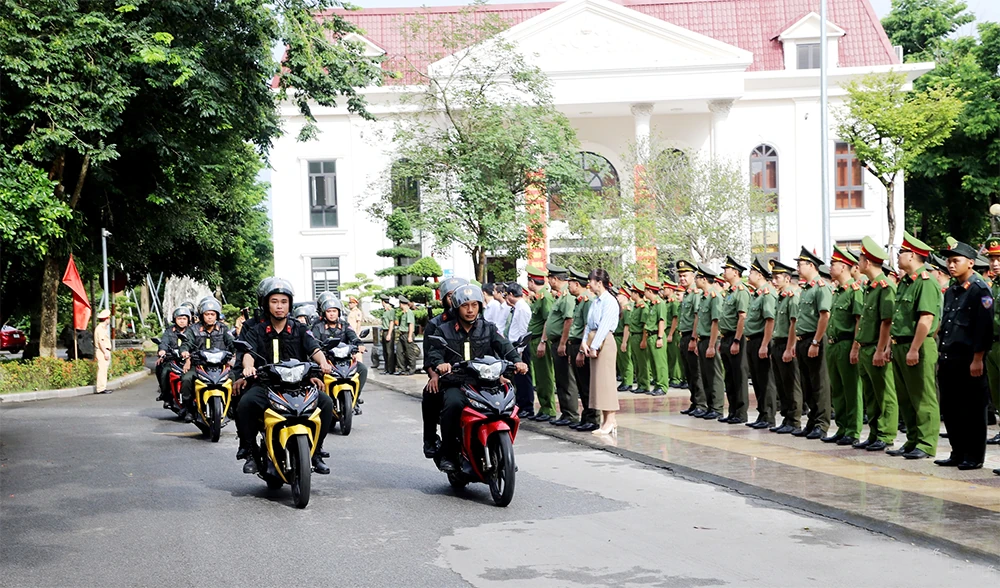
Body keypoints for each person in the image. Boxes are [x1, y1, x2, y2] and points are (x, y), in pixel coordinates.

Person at [236, 279, 335, 475]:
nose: (279, 306)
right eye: (274, 301)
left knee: (326, 403)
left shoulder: (298, 327)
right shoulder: (256, 329)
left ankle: (315, 452)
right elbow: (248, 354)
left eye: (283, 301)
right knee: (244, 403)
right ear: (266, 303)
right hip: (267, 384)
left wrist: (323, 364)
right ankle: (249, 451)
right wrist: (248, 368)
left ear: (290, 304)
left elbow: (313, 347)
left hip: (298, 384)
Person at [429, 286, 527, 473]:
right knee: (452, 404)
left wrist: (517, 361)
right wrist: (440, 364)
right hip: (456, 382)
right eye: (465, 305)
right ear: (457, 307)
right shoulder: (444, 330)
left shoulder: (488, 328)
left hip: (485, 382)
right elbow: (435, 353)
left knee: (506, 404)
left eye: (474, 305)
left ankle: (503, 452)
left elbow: (505, 346)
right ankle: (449, 453)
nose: (470, 309)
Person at [935, 241, 993, 470]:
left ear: (970, 263)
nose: (951, 265)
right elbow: (948, 325)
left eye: (955, 260)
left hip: (969, 359)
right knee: (951, 409)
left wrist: (978, 358)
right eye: (949, 261)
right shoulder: (952, 290)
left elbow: (984, 326)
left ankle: (974, 456)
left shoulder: (980, 289)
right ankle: (958, 452)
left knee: (972, 409)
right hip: (950, 357)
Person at [887, 231, 942, 459]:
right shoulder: (905, 283)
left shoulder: (925, 282)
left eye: (901, 252)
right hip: (901, 345)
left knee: (923, 396)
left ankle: (926, 443)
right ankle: (912, 439)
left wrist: (913, 348)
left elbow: (926, 319)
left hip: (917, 346)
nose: (898, 256)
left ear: (912, 256)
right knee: (906, 396)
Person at [853, 237, 898, 452]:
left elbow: (886, 321)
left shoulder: (885, 286)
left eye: (859, 260)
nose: (857, 264)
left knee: (884, 394)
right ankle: (874, 433)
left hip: (875, 347)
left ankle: (886, 434)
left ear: (867, 262)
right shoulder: (870, 287)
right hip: (865, 347)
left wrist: (881, 349)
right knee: (870, 394)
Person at [420, 277, 468, 458]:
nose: (455, 299)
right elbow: (430, 356)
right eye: (450, 296)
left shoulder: (478, 321)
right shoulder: (436, 324)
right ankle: (430, 439)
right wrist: (434, 376)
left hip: (476, 375)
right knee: (431, 393)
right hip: (446, 376)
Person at [823, 246, 864, 445]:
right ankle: (842, 427)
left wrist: (856, 346)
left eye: (834, 264)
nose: (831, 267)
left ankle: (853, 430)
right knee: (837, 389)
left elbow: (858, 320)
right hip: (833, 344)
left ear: (845, 266)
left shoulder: (854, 291)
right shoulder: (837, 291)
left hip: (847, 343)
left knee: (851, 390)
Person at [793, 247, 833, 440]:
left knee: (819, 383)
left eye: (800, 264)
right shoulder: (806, 289)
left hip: (814, 339)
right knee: (806, 383)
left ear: (811, 265)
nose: (797, 268)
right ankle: (812, 420)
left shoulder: (821, 288)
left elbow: (824, 316)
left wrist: (816, 341)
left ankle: (821, 423)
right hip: (803, 340)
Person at [179, 298, 236, 420]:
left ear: (217, 315)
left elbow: (232, 344)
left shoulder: (223, 329)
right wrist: (184, 351)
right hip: (199, 365)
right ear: (201, 315)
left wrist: (236, 352)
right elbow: (186, 343)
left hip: (220, 366)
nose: (210, 317)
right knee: (187, 379)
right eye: (207, 314)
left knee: (233, 378)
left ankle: (231, 406)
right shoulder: (193, 329)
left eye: (212, 314)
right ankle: (188, 409)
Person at [581, 268, 620, 436]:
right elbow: (589, 323)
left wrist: (595, 345)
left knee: (607, 382)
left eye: (591, 281)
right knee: (599, 384)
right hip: (593, 340)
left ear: (599, 282)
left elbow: (604, 325)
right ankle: (606, 420)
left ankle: (610, 420)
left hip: (604, 341)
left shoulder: (609, 301)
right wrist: (584, 342)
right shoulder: (595, 301)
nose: (589, 284)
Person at [312, 296, 368, 415]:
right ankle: (316, 404)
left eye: (334, 311)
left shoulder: (344, 325)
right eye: (329, 311)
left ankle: (355, 398)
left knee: (362, 369)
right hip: (326, 361)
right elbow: (313, 341)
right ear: (324, 313)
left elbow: (353, 336)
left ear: (339, 312)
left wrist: (359, 345)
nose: (332, 314)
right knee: (313, 373)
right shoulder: (318, 326)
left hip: (343, 361)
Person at [543, 264, 579, 424]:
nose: (549, 281)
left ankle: (571, 414)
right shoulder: (560, 296)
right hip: (556, 342)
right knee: (561, 379)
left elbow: (569, 320)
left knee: (567, 379)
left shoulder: (567, 297)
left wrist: (563, 343)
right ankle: (565, 413)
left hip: (562, 343)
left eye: (550, 278)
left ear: (555, 279)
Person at [745, 255, 777, 429]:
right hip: (752, 340)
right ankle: (762, 413)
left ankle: (769, 415)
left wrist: (765, 344)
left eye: (751, 272)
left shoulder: (767, 294)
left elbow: (770, 320)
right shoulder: (756, 295)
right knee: (757, 380)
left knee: (765, 380)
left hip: (761, 340)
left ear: (759, 275)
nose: (749, 274)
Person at [770, 260, 803, 434]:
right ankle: (786, 418)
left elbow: (794, 324)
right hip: (778, 343)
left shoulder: (792, 297)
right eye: (773, 277)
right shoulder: (781, 297)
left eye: (777, 277)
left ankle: (794, 419)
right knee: (781, 384)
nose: (774, 281)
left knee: (791, 384)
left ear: (787, 278)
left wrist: (790, 348)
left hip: (787, 344)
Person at [719, 256, 750, 424]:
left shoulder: (741, 292)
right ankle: (732, 411)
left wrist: (737, 340)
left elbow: (742, 317)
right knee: (729, 377)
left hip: (735, 337)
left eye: (727, 269)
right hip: (726, 337)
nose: (724, 272)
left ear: (736, 272)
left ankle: (741, 412)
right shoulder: (730, 292)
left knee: (739, 376)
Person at [693, 264, 725, 420]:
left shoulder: (715, 297)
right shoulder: (704, 297)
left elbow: (715, 322)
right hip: (703, 339)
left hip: (712, 340)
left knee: (714, 375)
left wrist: (712, 345)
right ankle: (709, 406)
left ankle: (717, 407)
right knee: (705, 375)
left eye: (696, 278)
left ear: (704, 279)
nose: (695, 280)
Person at [567, 268, 597, 430]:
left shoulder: (588, 301)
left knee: (587, 384)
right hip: (575, 344)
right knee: (581, 383)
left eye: (570, 283)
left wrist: (580, 351)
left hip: (582, 345)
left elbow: (588, 326)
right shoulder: (581, 301)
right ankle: (586, 415)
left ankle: (592, 417)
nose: (568, 286)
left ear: (577, 284)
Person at [526, 265, 556, 421]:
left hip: (540, 340)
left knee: (545, 376)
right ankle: (544, 408)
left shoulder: (545, 297)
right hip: (535, 339)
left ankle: (549, 409)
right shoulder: (539, 297)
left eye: (528, 281)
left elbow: (547, 321)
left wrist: (543, 341)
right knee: (539, 376)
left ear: (532, 282)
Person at [676, 260, 705, 416]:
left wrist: (694, 338)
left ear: (693, 276)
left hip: (692, 336)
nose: (682, 279)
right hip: (684, 335)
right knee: (688, 372)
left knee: (696, 372)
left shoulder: (695, 294)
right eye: (680, 276)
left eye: (685, 275)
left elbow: (697, 317)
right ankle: (694, 402)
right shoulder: (687, 294)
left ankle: (701, 403)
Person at [504, 282, 534, 420]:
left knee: (523, 378)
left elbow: (523, 330)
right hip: (515, 345)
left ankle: (527, 406)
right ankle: (521, 404)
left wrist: (520, 350)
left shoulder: (522, 308)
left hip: (520, 345)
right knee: (518, 378)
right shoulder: (517, 307)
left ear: (511, 294)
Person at [156, 307, 193, 403]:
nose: (182, 321)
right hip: (173, 359)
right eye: (179, 319)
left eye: (184, 319)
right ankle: (166, 395)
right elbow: (164, 342)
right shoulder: (169, 331)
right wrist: (162, 351)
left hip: (189, 360)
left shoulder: (193, 331)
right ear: (175, 319)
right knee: (164, 371)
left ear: (188, 319)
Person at [984, 238, 1000, 446]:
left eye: (999, 258)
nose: (995, 263)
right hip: (992, 344)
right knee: (996, 393)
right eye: (992, 259)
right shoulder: (992, 286)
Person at [642, 281, 669, 396]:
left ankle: (662, 386)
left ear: (649, 291)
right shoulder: (652, 304)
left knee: (660, 363)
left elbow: (661, 321)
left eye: (645, 291)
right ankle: (657, 385)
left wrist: (660, 337)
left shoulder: (660, 304)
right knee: (653, 363)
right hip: (650, 335)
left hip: (657, 335)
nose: (644, 293)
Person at [627, 282, 652, 395]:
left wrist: (643, 340)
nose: (630, 294)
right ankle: (640, 384)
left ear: (636, 294)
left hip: (639, 336)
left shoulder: (643, 307)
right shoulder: (636, 307)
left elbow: (644, 326)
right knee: (637, 361)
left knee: (642, 362)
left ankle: (645, 384)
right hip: (634, 335)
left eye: (632, 292)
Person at [614, 285, 635, 393]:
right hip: (617, 336)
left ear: (625, 297)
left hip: (623, 336)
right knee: (620, 361)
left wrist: (624, 342)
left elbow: (627, 326)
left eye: (620, 295)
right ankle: (624, 379)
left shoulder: (627, 310)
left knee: (626, 360)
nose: (617, 297)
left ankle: (628, 382)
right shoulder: (620, 309)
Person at [396, 297, 418, 375]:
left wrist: (409, 336)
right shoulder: (404, 313)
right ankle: (402, 368)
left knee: (410, 353)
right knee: (399, 351)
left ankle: (412, 369)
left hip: (407, 334)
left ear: (402, 304)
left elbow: (411, 325)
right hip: (402, 334)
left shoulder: (409, 313)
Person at [94, 309, 113, 394]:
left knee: (104, 370)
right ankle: (101, 388)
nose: (109, 320)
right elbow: (101, 342)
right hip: (102, 351)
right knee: (102, 370)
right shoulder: (100, 329)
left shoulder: (101, 328)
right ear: (106, 319)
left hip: (104, 350)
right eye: (108, 318)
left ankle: (103, 387)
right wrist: (105, 352)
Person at [379, 296, 396, 375]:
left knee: (389, 351)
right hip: (384, 331)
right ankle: (386, 368)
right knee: (385, 351)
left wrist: (389, 334)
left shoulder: (391, 311)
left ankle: (390, 369)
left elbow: (392, 322)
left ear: (383, 302)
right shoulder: (385, 311)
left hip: (389, 331)